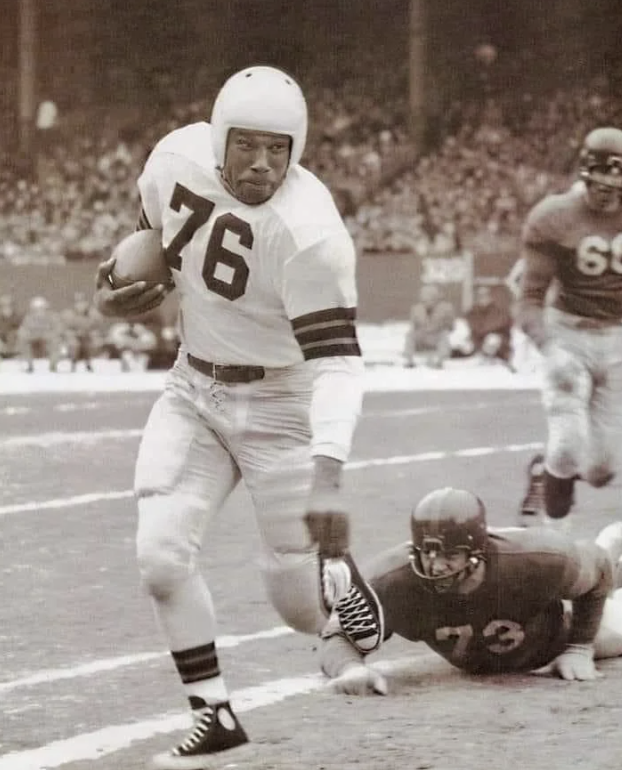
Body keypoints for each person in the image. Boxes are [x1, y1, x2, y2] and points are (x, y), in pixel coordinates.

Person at [92, 65, 382, 770]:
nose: (260, 164)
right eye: (246, 145)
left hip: (282, 402)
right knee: (160, 555)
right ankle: (213, 712)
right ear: (218, 140)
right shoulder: (175, 160)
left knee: (294, 600)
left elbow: (340, 365)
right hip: (194, 387)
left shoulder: (311, 232)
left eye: (277, 148)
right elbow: (145, 251)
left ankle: (341, 596)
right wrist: (114, 293)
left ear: (298, 148)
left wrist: (328, 473)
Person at [320, 486, 622, 696]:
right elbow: (340, 632)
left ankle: (614, 539)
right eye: (427, 552)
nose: (436, 566)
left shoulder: (538, 560)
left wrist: (580, 647)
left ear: (477, 552)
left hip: (554, 633)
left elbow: (598, 569)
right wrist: (350, 669)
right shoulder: (395, 581)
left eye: (450, 555)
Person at [517, 127, 622, 528]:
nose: (607, 194)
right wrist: (550, 348)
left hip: (618, 337)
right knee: (567, 445)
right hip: (569, 333)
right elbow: (528, 300)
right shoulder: (554, 216)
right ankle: (554, 543)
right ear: (584, 173)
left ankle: (543, 471)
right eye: (600, 184)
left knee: (601, 469)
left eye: (616, 186)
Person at [459, 284, 514, 367]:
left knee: (492, 339)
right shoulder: (472, 312)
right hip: (478, 342)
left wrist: (482, 330)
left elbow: (498, 325)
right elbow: (471, 325)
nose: (483, 298)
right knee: (464, 340)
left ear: (490, 296)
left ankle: (492, 360)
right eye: (480, 295)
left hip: (498, 346)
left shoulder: (499, 311)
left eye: (485, 295)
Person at [403, 284, 455, 368]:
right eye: (425, 297)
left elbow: (451, 327)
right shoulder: (416, 309)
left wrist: (442, 325)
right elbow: (413, 326)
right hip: (422, 336)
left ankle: (440, 361)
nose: (428, 300)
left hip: (437, 337)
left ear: (436, 298)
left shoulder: (446, 308)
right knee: (410, 334)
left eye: (431, 297)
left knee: (444, 334)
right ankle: (409, 360)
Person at [16, 296, 63, 373]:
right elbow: (23, 329)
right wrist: (26, 335)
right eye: (36, 308)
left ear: (45, 308)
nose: (39, 310)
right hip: (33, 337)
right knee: (23, 340)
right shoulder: (28, 317)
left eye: (41, 308)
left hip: (48, 336)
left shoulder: (53, 316)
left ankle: (53, 365)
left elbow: (58, 328)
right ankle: (29, 365)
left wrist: (51, 335)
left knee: (56, 341)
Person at [61, 292, 104, 372]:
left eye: (82, 302)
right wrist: (73, 333)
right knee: (74, 345)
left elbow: (98, 326)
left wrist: (91, 332)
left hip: (88, 335)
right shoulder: (68, 314)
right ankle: (73, 363)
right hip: (74, 335)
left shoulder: (93, 313)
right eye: (77, 302)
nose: (80, 305)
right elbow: (65, 327)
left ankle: (88, 363)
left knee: (88, 344)